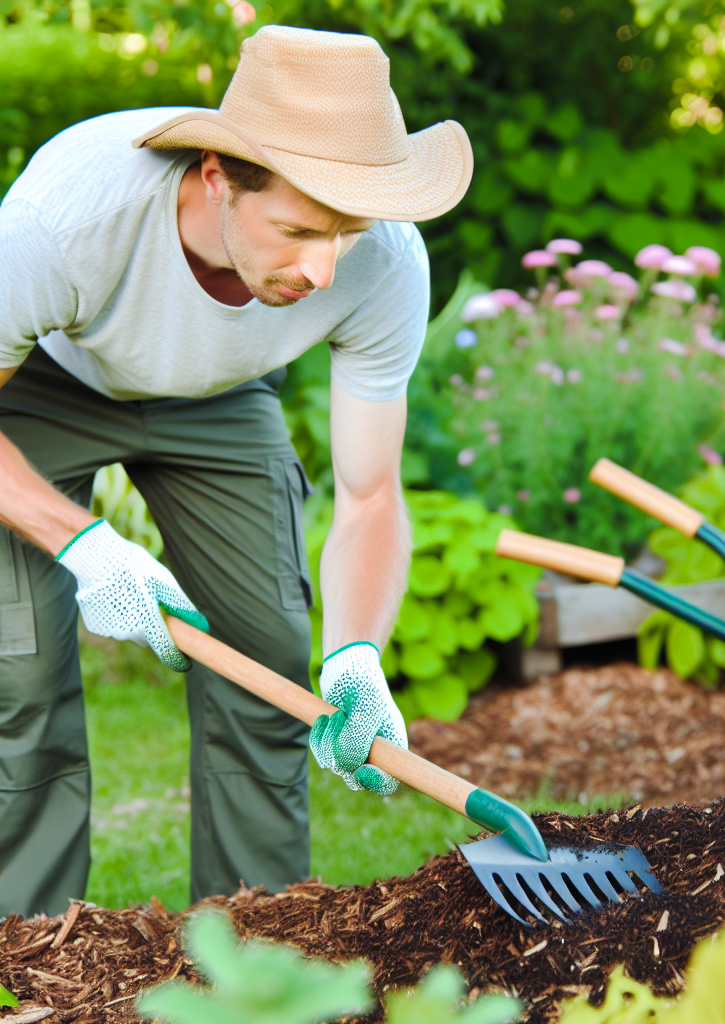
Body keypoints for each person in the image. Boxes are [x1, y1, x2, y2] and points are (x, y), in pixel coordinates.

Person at [0, 25, 472, 916]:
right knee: (19, 682)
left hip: (221, 394)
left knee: (270, 666)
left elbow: (371, 493)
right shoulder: (66, 222)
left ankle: (257, 954)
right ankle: (25, 956)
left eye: (347, 231)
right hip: (44, 385)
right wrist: (83, 544)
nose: (323, 267)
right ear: (217, 177)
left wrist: (359, 652)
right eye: (297, 229)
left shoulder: (382, 262)